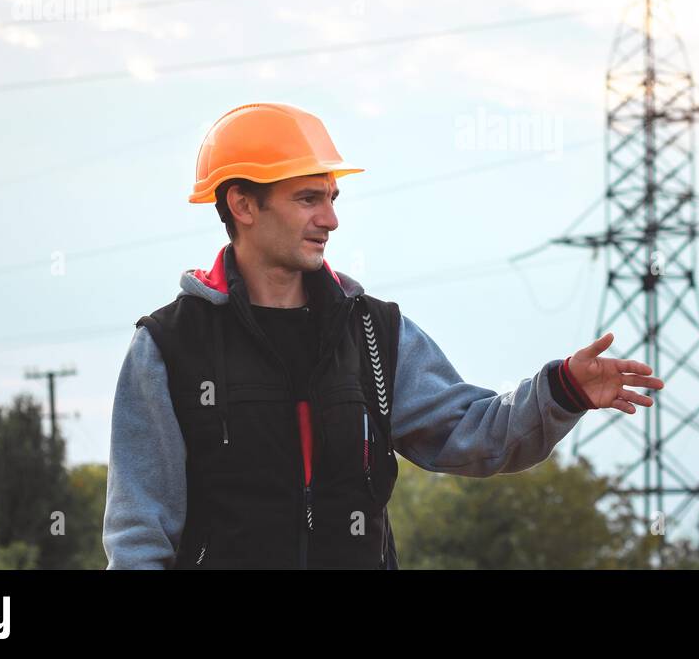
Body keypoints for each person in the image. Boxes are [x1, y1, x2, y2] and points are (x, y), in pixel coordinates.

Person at [102, 102, 664, 569]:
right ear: (242, 204)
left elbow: (473, 435)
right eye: (308, 198)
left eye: (331, 198)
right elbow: (138, 537)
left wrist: (560, 390)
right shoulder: (167, 348)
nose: (330, 219)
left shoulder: (373, 332)